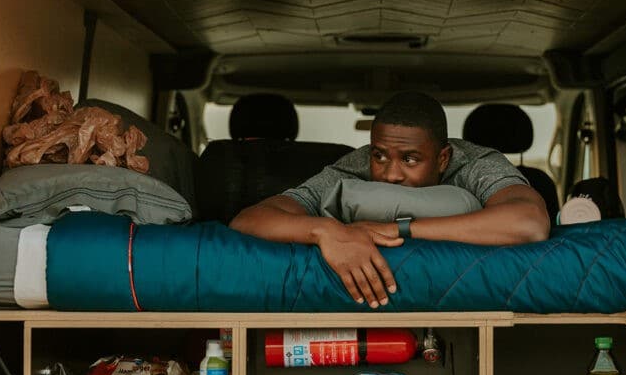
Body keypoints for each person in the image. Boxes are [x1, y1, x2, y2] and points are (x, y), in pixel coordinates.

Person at [230, 91, 550, 309]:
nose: (390, 174)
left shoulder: (477, 164)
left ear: (442, 158)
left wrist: (399, 230)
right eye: (380, 155)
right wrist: (326, 231)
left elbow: (529, 222)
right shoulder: (353, 166)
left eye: (410, 160)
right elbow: (248, 220)